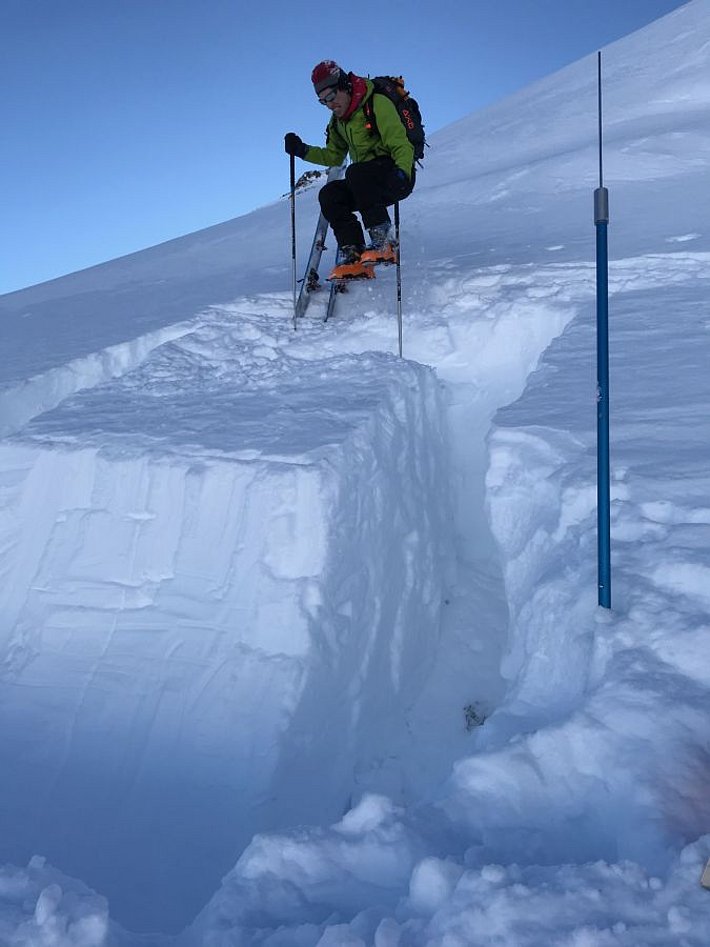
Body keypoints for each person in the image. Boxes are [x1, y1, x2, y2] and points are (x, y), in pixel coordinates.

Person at [285, 60, 415, 279]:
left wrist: (403, 172)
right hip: (365, 185)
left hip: (394, 174)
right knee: (330, 194)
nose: (329, 104)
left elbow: (400, 143)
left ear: (344, 85)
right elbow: (334, 156)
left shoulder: (376, 102)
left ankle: (384, 242)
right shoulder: (338, 122)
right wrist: (302, 150)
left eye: (331, 96)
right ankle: (354, 254)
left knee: (356, 172)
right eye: (323, 100)